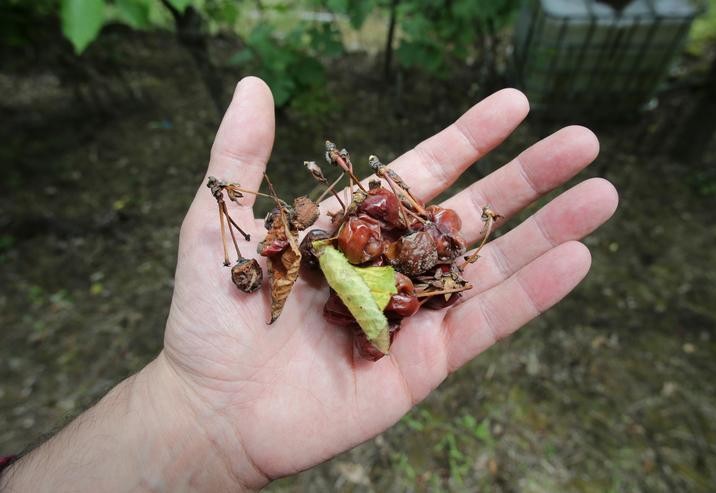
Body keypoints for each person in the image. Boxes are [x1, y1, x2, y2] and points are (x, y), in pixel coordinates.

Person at [0, 77, 618, 492]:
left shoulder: (391, 251)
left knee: (390, 278)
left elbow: (386, 279)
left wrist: (406, 269)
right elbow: (352, 275)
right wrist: (189, 409)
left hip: (387, 274)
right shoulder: (334, 252)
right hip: (363, 276)